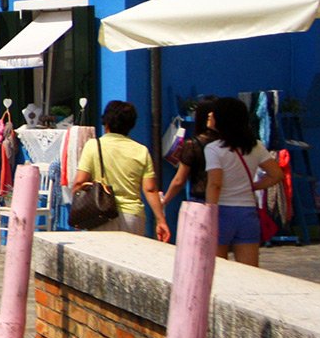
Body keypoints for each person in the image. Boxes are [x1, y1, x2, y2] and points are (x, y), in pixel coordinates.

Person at [204, 95, 284, 266]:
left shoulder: (213, 149)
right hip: (247, 211)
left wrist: (209, 212)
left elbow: (215, 183)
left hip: (222, 211)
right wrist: (254, 186)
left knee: (218, 269)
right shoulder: (255, 145)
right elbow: (276, 174)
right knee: (249, 269)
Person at [73, 100, 168, 240]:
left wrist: (80, 211)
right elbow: (150, 189)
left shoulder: (93, 146)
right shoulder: (141, 151)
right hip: (133, 217)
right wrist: (161, 220)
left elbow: (79, 184)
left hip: (101, 214)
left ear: (106, 122)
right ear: (131, 125)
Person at [162, 99, 218, 218]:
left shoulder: (193, 144)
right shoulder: (227, 144)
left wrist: (165, 200)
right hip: (225, 200)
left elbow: (179, 180)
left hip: (199, 201)